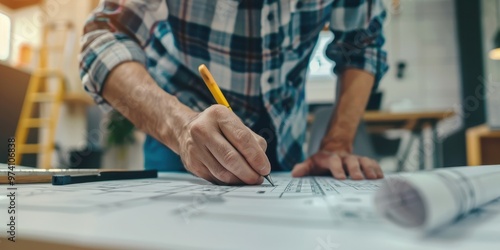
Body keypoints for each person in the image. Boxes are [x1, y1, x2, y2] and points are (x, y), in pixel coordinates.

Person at [80, 0, 388, 185]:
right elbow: (103, 39)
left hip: (285, 138)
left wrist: (337, 144)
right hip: (181, 133)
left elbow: (361, 45)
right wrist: (181, 127)